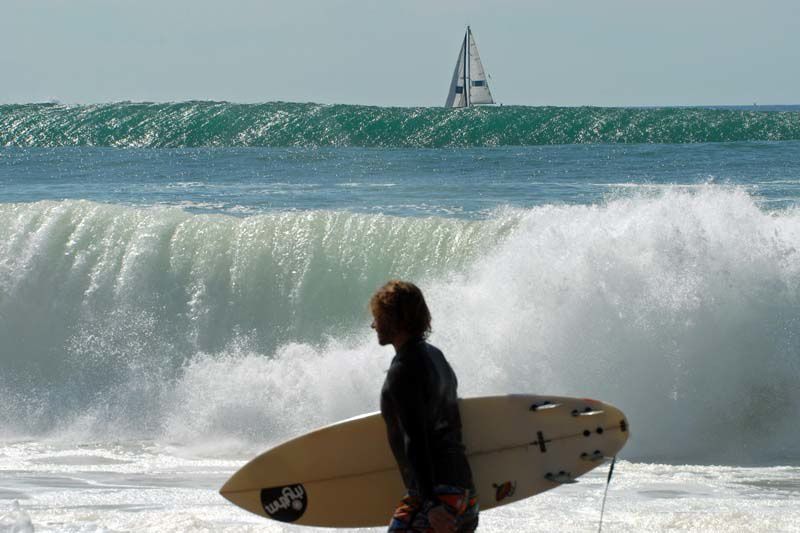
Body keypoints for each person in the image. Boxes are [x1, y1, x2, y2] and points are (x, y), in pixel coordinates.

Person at [370, 280, 479, 533]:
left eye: (378, 317)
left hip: (435, 498)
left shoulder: (403, 370)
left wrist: (430, 503)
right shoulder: (436, 357)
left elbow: (416, 440)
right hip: (465, 494)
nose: (374, 325)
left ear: (393, 317)